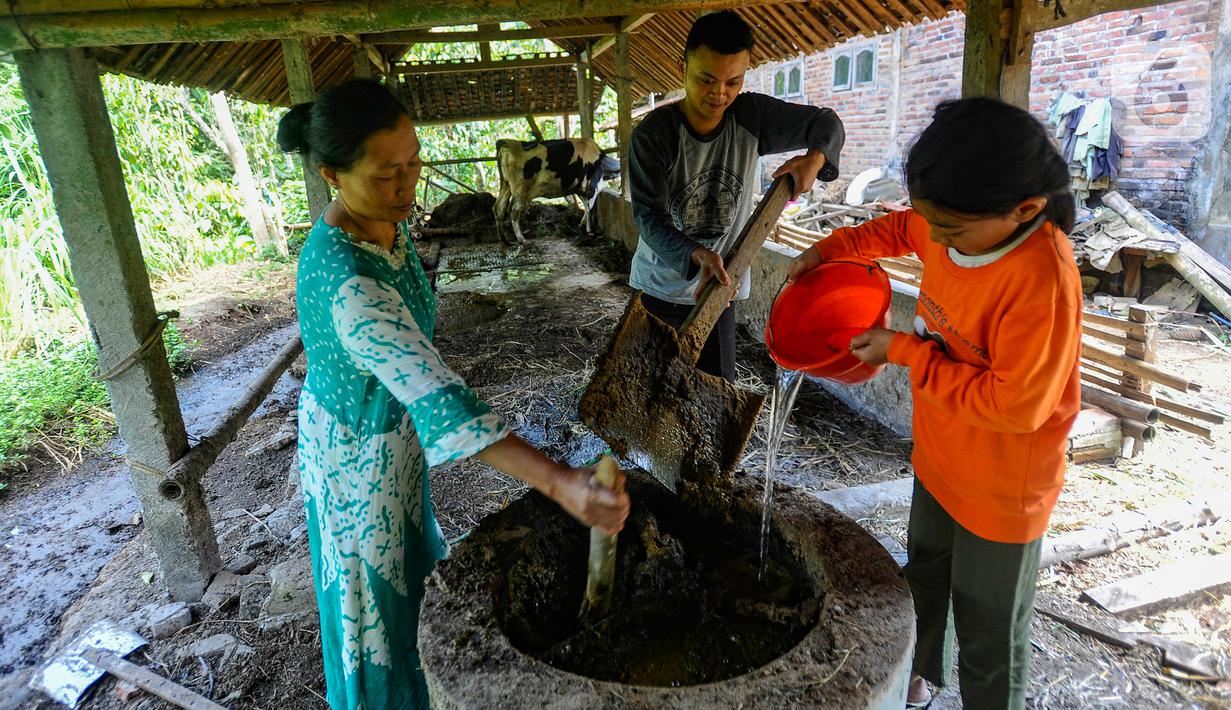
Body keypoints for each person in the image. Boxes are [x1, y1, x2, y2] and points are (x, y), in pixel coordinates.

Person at [277, 79, 631, 710]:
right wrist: (562, 485)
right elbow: (442, 400)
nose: (408, 183)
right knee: (375, 618)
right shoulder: (350, 284)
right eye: (388, 174)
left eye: (414, 162)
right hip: (358, 463)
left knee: (414, 579)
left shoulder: (383, 221)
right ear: (333, 175)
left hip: (391, 436)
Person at [787, 98, 1081, 709]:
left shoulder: (1040, 278)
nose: (937, 244)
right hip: (940, 452)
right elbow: (902, 228)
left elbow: (1017, 407)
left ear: (1024, 210)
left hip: (1002, 486)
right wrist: (832, 249)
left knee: (988, 625)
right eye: (935, 228)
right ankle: (915, 680)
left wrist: (905, 352)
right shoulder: (953, 222)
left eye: (949, 233)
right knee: (922, 576)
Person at [628, 10, 845, 382]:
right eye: (706, 79)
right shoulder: (655, 135)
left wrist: (815, 158)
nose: (720, 94)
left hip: (719, 292)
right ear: (682, 67)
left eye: (734, 81)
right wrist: (697, 254)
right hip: (660, 291)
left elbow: (826, 122)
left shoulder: (751, 116)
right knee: (651, 395)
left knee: (714, 391)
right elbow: (649, 217)